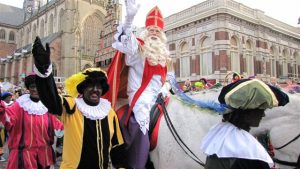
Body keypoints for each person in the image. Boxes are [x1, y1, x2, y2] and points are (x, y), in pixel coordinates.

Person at [31, 36, 125, 169]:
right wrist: (44, 70)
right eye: (90, 86)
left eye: (99, 86)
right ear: (82, 89)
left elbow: (118, 146)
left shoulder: (110, 113)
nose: (95, 90)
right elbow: (50, 99)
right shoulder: (72, 106)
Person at [105, 0, 172, 168]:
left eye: (157, 29)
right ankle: (136, 163)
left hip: (159, 95)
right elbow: (127, 42)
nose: (154, 32)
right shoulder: (139, 48)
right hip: (139, 96)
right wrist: (129, 18)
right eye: (151, 29)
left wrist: (165, 88)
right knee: (140, 122)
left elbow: (166, 79)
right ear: (146, 31)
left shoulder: (164, 54)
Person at [201, 79, 289, 169]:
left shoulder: (221, 140)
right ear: (246, 112)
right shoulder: (250, 152)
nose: (263, 114)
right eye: (260, 110)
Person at [0, 74, 64, 169]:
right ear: (28, 88)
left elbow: (58, 127)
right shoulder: (20, 105)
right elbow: (7, 118)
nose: (35, 89)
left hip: (44, 156)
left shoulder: (46, 106)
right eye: (32, 86)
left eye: (39, 86)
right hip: (24, 156)